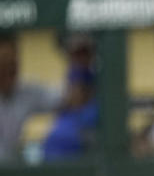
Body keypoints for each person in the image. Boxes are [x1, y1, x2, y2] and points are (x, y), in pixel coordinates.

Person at [0, 32, 62, 162]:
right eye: (4, 65)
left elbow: (66, 98)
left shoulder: (25, 91)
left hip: (11, 173)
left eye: (13, 64)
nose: (10, 71)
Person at [42, 33, 99, 161]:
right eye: (74, 54)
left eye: (83, 52)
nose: (78, 58)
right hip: (57, 159)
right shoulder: (71, 78)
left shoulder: (101, 90)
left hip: (86, 161)